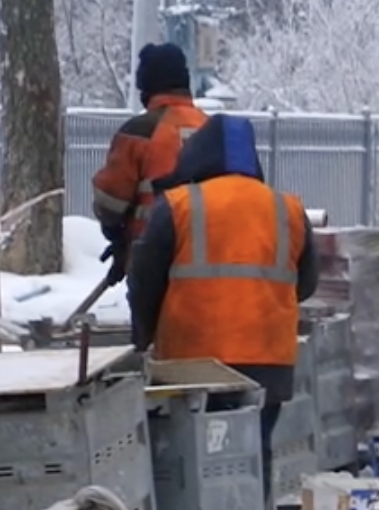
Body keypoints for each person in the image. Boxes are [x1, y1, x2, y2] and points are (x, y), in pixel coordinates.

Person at [127, 113, 318, 487]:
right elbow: (307, 282)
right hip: (269, 359)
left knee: (195, 458)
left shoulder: (179, 205)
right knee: (253, 449)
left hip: (194, 363)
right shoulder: (289, 209)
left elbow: (144, 280)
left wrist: (142, 336)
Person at [90, 41, 208, 266]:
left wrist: (118, 237)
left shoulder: (139, 132)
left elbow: (110, 204)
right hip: (207, 260)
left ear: (147, 85)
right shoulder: (211, 128)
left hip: (154, 259)